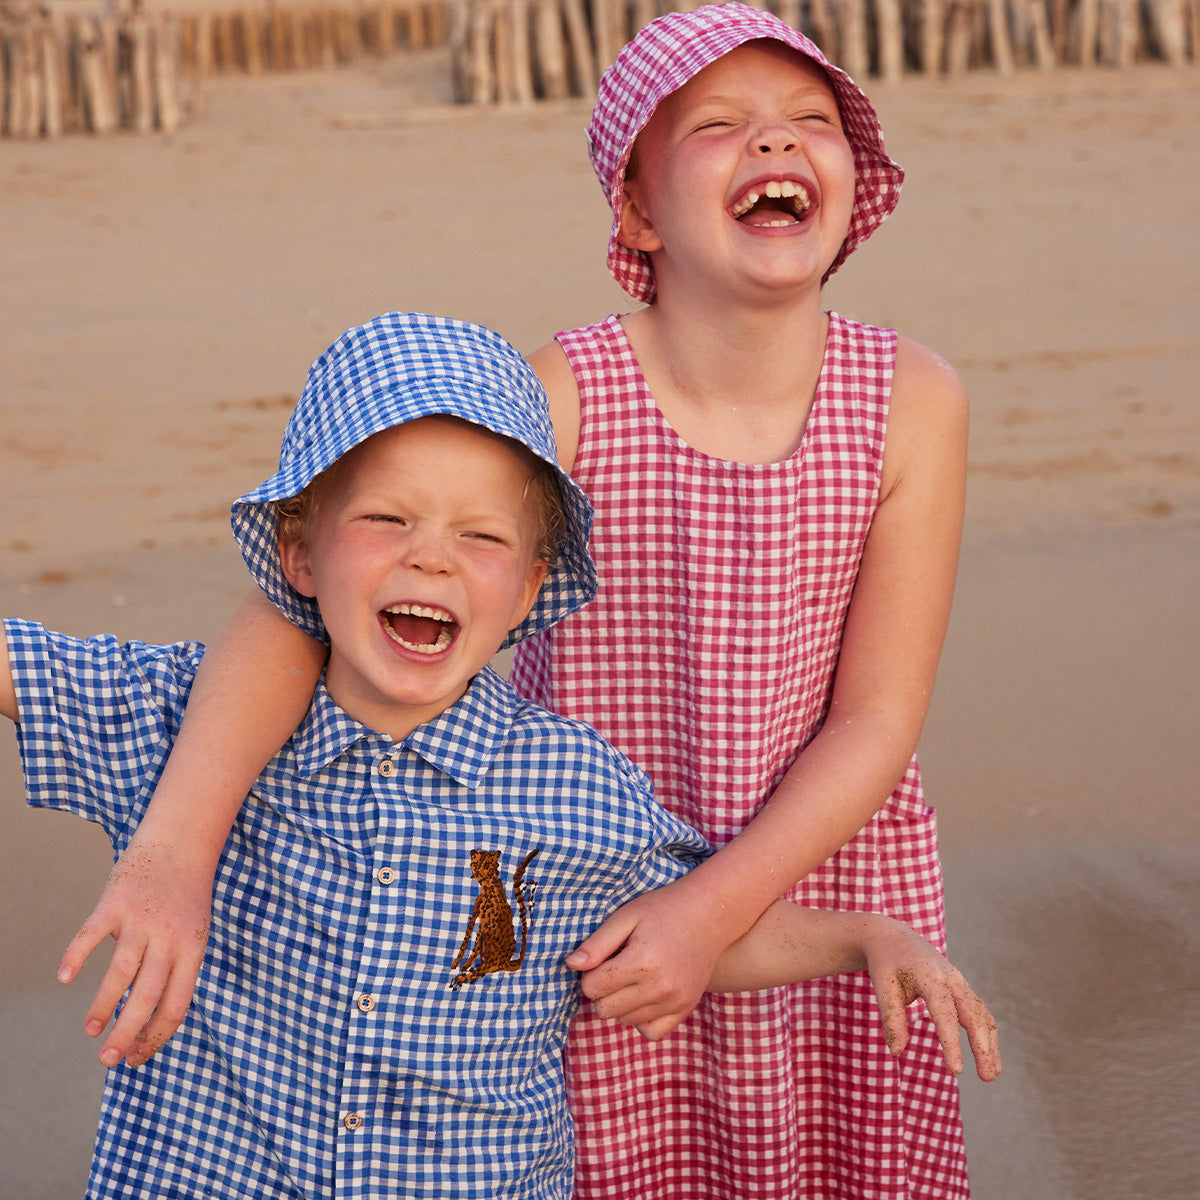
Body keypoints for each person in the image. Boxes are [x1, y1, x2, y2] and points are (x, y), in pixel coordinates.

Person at [55, 6, 986, 1196]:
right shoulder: (563, 396)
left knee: (819, 1154)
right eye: (719, 125)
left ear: (856, 184)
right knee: (602, 1151)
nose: (774, 143)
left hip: (812, 872)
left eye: (812, 121)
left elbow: (877, 720)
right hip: (563, 869)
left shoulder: (912, 399)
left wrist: (709, 912)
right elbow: (310, 603)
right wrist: (176, 853)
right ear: (638, 207)